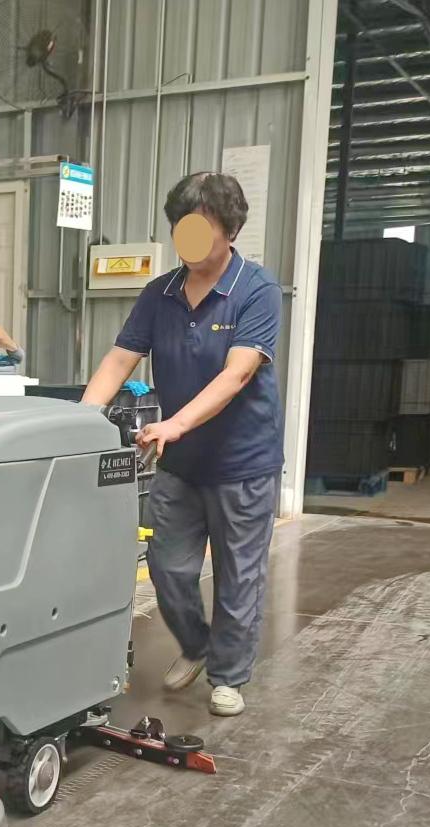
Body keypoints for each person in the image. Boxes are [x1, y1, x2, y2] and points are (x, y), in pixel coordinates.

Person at [82, 172, 283, 717]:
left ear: (230, 229)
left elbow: (237, 374)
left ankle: (229, 675)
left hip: (244, 464)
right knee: (168, 566)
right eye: (181, 228)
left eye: (202, 228)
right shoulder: (161, 293)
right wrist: (80, 420)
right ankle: (196, 645)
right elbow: (120, 359)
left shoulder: (256, 290)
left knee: (239, 576)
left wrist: (175, 424)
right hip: (181, 465)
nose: (188, 241)